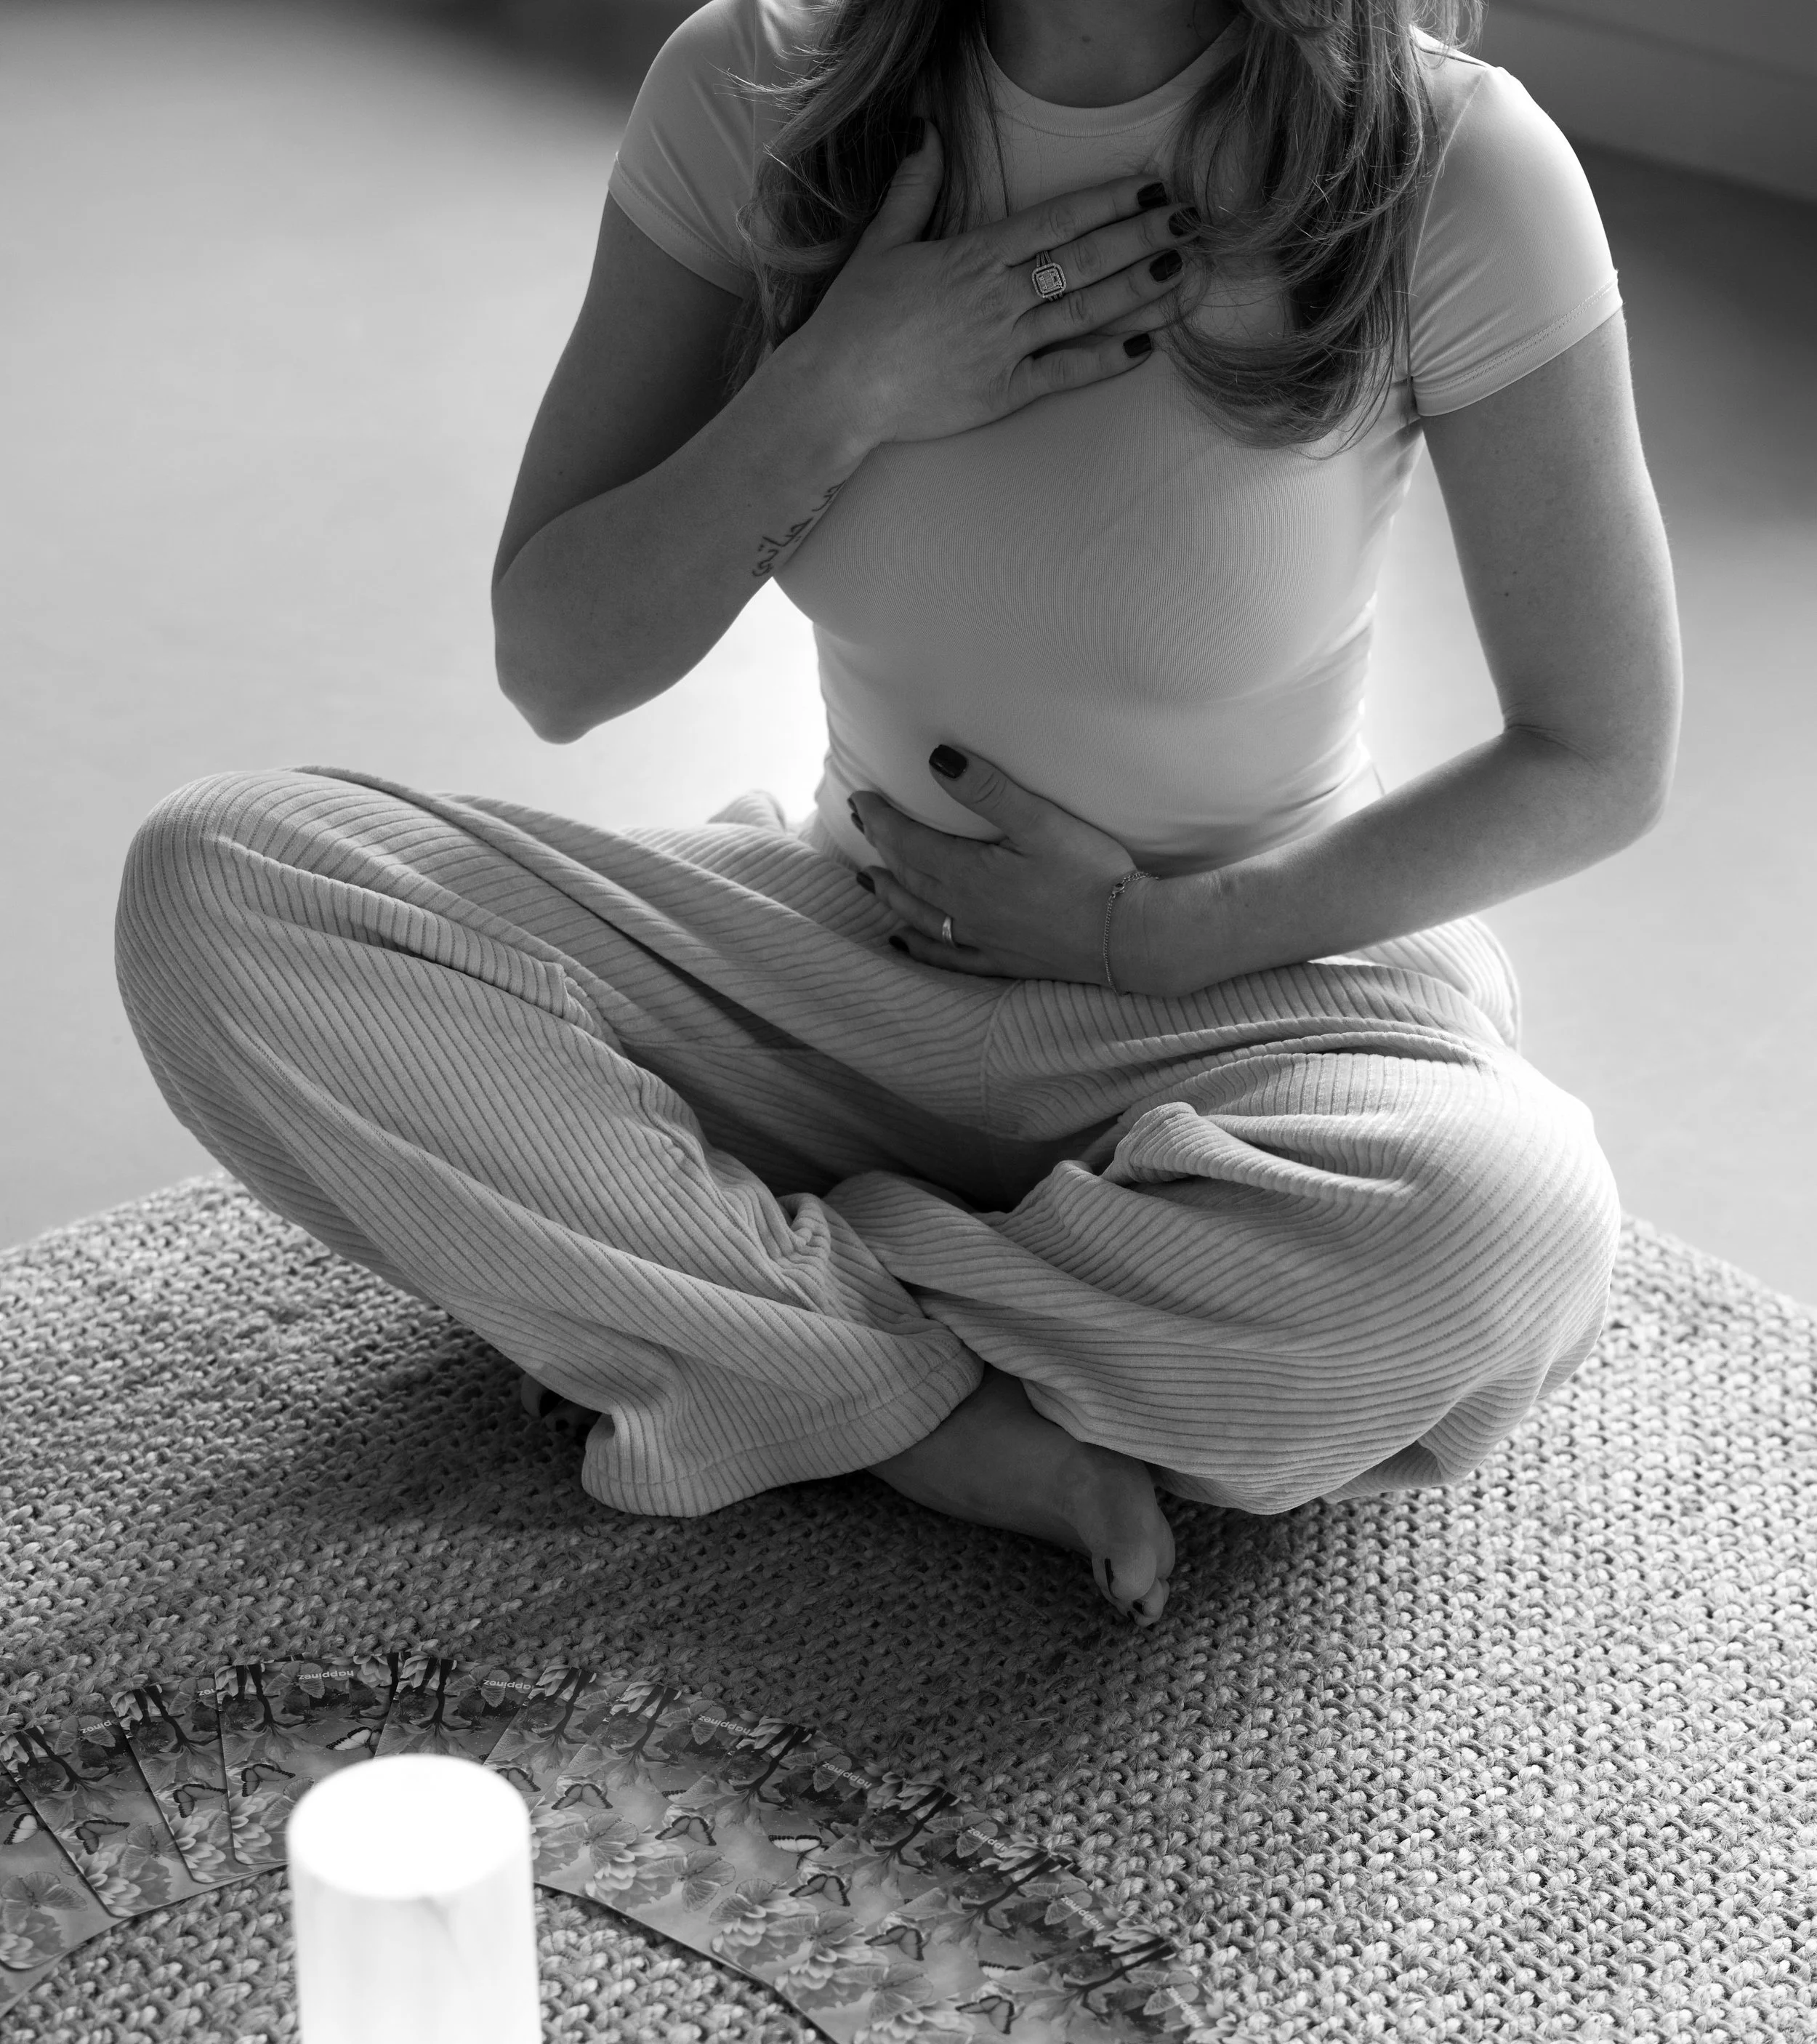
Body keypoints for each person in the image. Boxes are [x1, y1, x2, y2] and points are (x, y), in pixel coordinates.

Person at [116, 0, 1680, 1627]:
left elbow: (1596, 752)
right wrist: (843, 381)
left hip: (1253, 1001)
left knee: (1496, 1236)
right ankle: (922, 1401)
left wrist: (1162, 935)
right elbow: (559, 662)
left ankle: (720, 1304)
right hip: (849, 951)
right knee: (217, 882)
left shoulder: (1453, 165)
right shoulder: (750, 84)